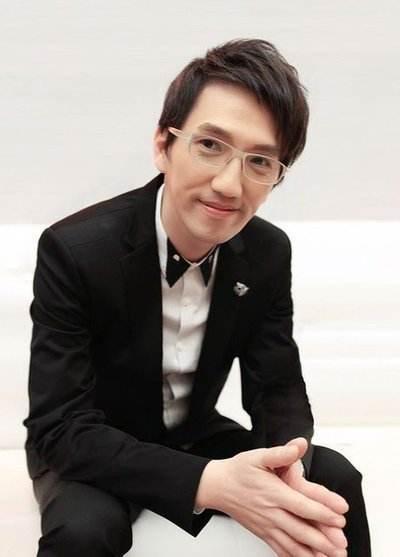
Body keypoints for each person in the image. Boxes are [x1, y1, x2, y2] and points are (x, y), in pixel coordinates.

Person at [23, 38, 371, 556]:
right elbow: (59, 426)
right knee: (84, 532)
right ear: (163, 145)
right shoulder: (73, 249)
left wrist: (288, 463)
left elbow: (276, 388)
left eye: (259, 161)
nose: (229, 184)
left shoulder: (268, 251)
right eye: (210, 145)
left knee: (334, 481)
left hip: (194, 433)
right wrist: (210, 483)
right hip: (94, 444)